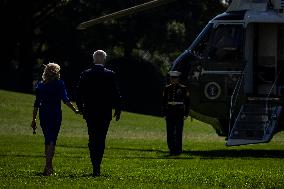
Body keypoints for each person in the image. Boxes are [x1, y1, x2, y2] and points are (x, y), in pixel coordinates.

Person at [76, 50, 121, 177]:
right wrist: (118, 109)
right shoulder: (110, 74)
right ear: (104, 60)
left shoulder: (85, 74)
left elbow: (78, 94)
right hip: (105, 111)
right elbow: (115, 93)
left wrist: (81, 108)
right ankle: (97, 166)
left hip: (90, 111)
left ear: (94, 59)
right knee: (101, 138)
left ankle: (94, 164)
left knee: (92, 137)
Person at [31, 63, 79, 176]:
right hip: (55, 114)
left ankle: (48, 166)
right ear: (57, 72)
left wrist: (33, 119)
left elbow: (36, 104)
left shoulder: (40, 85)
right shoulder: (59, 84)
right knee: (52, 139)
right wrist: (75, 110)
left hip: (43, 114)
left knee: (47, 139)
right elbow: (65, 100)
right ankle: (48, 167)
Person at [162, 71, 190, 156]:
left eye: (175, 78)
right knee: (170, 131)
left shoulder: (183, 88)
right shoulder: (167, 88)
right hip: (170, 111)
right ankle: (171, 149)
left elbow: (187, 102)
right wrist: (164, 113)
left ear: (178, 79)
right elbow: (163, 102)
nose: (173, 80)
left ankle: (178, 150)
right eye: (172, 78)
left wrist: (186, 113)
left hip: (179, 111)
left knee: (178, 131)